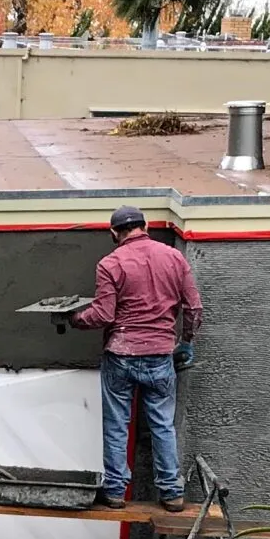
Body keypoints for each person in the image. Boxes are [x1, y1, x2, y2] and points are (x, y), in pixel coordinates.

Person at [72, 205, 203, 509]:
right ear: (145, 227)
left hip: (121, 354)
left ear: (114, 233)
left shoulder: (110, 263)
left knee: (117, 424)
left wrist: (75, 318)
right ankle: (172, 493)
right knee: (162, 424)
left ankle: (116, 492)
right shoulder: (174, 257)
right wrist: (186, 342)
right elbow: (194, 309)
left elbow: (104, 314)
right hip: (160, 355)